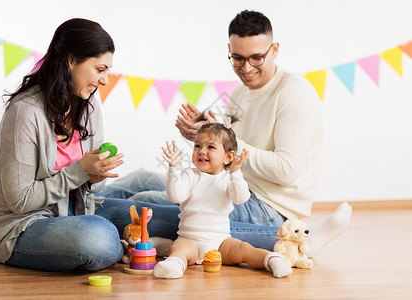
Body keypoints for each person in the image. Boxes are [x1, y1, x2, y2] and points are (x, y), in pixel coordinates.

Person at [98, 10, 352, 257]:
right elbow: (227, 161)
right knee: (141, 178)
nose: (246, 67)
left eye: (256, 58)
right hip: (231, 185)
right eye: (237, 58)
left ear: (274, 50)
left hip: (268, 206)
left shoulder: (294, 93)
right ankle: (79, 202)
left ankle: (294, 237)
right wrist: (207, 137)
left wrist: (226, 145)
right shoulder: (241, 92)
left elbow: (286, 171)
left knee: (146, 199)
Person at [0, 18, 127, 272]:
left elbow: (95, 187)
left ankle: (131, 239)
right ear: (71, 61)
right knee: (98, 238)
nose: (104, 80)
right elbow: (20, 201)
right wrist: (80, 170)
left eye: (107, 71)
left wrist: (96, 173)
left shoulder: (88, 104)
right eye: (100, 70)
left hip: (78, 209)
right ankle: (130, 242)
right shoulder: (25, 112)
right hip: (25, 225)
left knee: (166, 215)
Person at [152, 116, 292, 279]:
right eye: (197, 146)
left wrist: (235, 173)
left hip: (220, 242)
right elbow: (175, 196)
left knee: (245, 249)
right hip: (189, 240)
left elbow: (241, 198)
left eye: (210, 147)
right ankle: (174, 265)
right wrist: (174, 170)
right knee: (177, 248)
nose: (202, 151)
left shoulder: (228, 178)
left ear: (228, 157)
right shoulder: (190, 175)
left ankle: (273, 260)